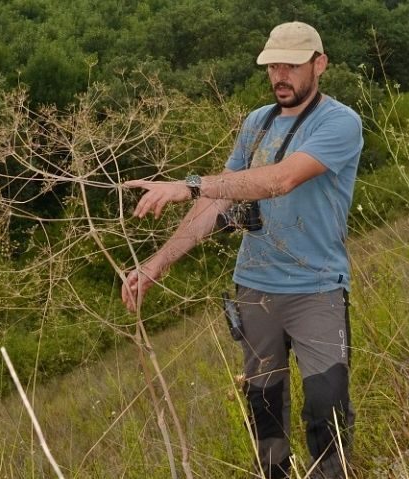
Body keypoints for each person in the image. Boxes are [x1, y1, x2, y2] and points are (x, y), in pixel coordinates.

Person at [121, 21, 363, 479]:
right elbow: (219, 201)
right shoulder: (257, 122)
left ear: (320, 64)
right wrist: (156, 264)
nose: (280, 75)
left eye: (291, 65)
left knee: (326, 408)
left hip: (317, 289)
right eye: (273, 65)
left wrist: (188, 184)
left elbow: (280, 179)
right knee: (265, 413)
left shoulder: (339, 123)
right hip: (255, 290)